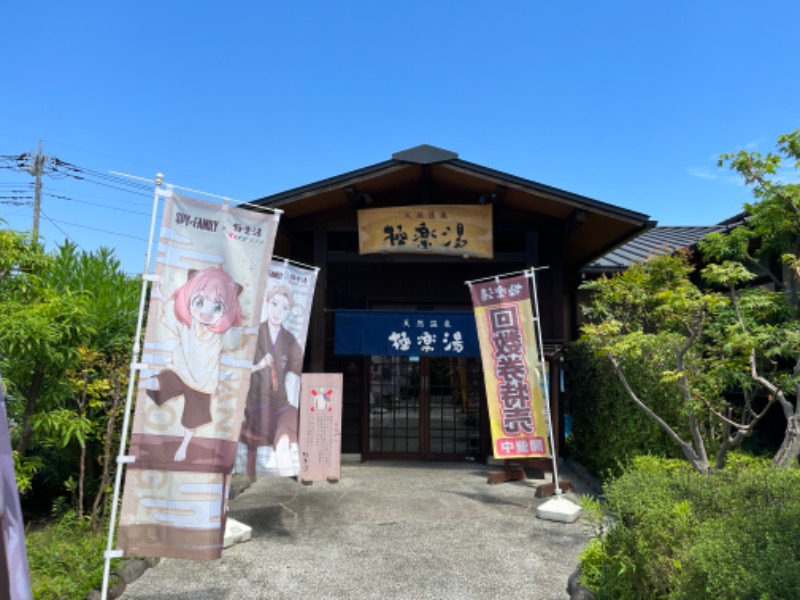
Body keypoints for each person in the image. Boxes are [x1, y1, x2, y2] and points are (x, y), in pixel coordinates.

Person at [140, 266, 247, 462]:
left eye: (217, 307)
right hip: (180, 370)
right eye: (199, 301)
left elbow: (235, 340)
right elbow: (167, 316)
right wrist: (158, 294)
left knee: (192, 418)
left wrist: (238, 325)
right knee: (155, 382)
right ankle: (138, 383)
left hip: (203, 381)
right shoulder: (187, 323)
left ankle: (184, 445)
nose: (206, 312)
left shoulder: (221, 334)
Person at [240, 285, 304, 476]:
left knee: (297, 418)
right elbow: (237, 368)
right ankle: (286, 471)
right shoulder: (253, 334)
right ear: (267, 303)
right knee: (279, 430)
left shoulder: (290, 339)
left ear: (289, 312)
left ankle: (283, 455)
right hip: (257, 403)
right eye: (275, 304)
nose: (278, 311)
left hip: (282, 403)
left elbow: (298, 369)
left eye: (284, 308)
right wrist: (259, 365)